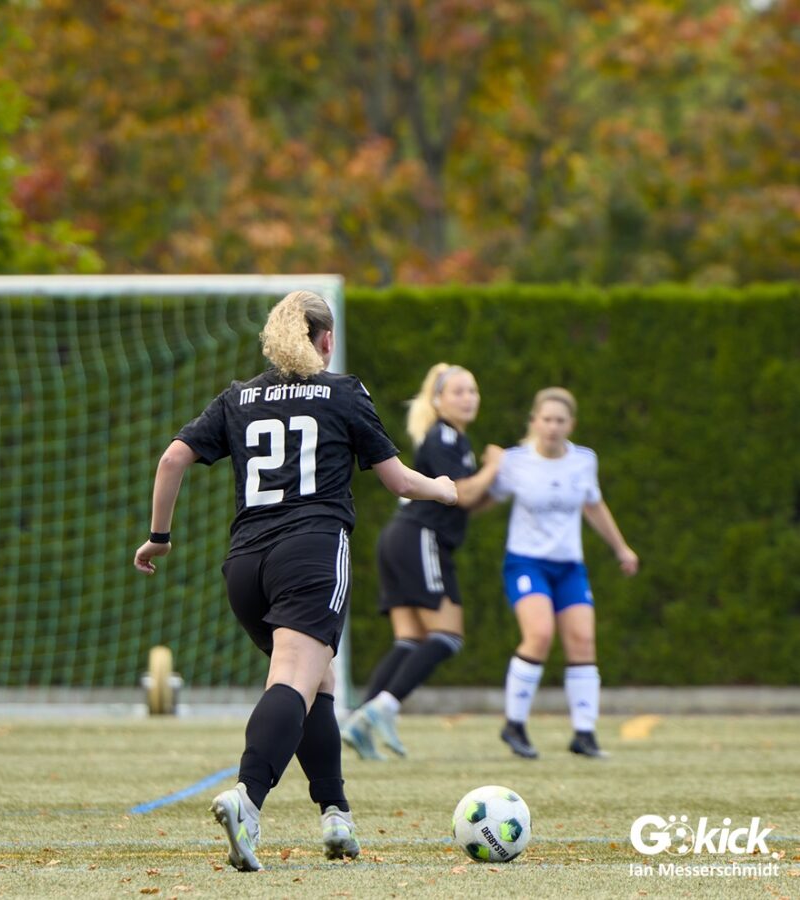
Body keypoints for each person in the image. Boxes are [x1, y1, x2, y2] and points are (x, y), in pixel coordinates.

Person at [133, 291, 457, 872]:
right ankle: (247, 800)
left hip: (245, 567)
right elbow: (400, 482)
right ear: (326, 340)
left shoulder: (238, 397)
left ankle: (336, 813)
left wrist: (159, 536)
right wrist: (445, 489)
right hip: (310, 554)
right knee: (292, 678)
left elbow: (171, 460)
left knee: (317, 682)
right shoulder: (343, 391)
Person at [340, 363, 502, 760]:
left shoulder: (456, 440)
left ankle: (360, 723)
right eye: (459, 391)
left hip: (401, 537)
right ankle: (383, 707)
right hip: (419, 537)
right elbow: (461, 493)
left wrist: (497, 488)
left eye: (473, 390)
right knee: (447, 636)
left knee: (410, 641)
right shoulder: (443, 435)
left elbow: (466, 502)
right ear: (438, 400)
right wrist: (495, 467)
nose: (469, 398)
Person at [490, 387, 638, 760]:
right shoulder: (514, 461)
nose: (553, 427)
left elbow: (594, 506)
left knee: (583, 641)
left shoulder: (584, 460)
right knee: (539, 634)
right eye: (546, 419)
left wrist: (621, 548)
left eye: (560, 420)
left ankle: (584, 734)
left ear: (571, 424)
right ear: (534, 421)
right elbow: (484, 497)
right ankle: (514, 724)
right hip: (526, 562)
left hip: (570, 565)